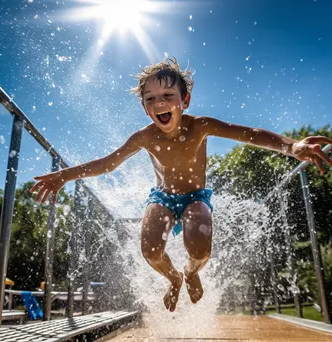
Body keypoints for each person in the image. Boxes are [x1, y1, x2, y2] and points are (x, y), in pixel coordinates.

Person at [30, 56, 332, 312]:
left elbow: (250, 133)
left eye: (167, 96)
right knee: (150, 251)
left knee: (199, 247)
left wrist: (291, 147)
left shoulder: (199, 126)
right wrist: (64, 175)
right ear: (145, 108)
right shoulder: (144, 136)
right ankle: (173, 277)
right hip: (161, 198)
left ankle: (190, 272)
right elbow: (108, 163)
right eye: (150, 99)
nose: (159, 103)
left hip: (196, 197)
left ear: (184, 101)